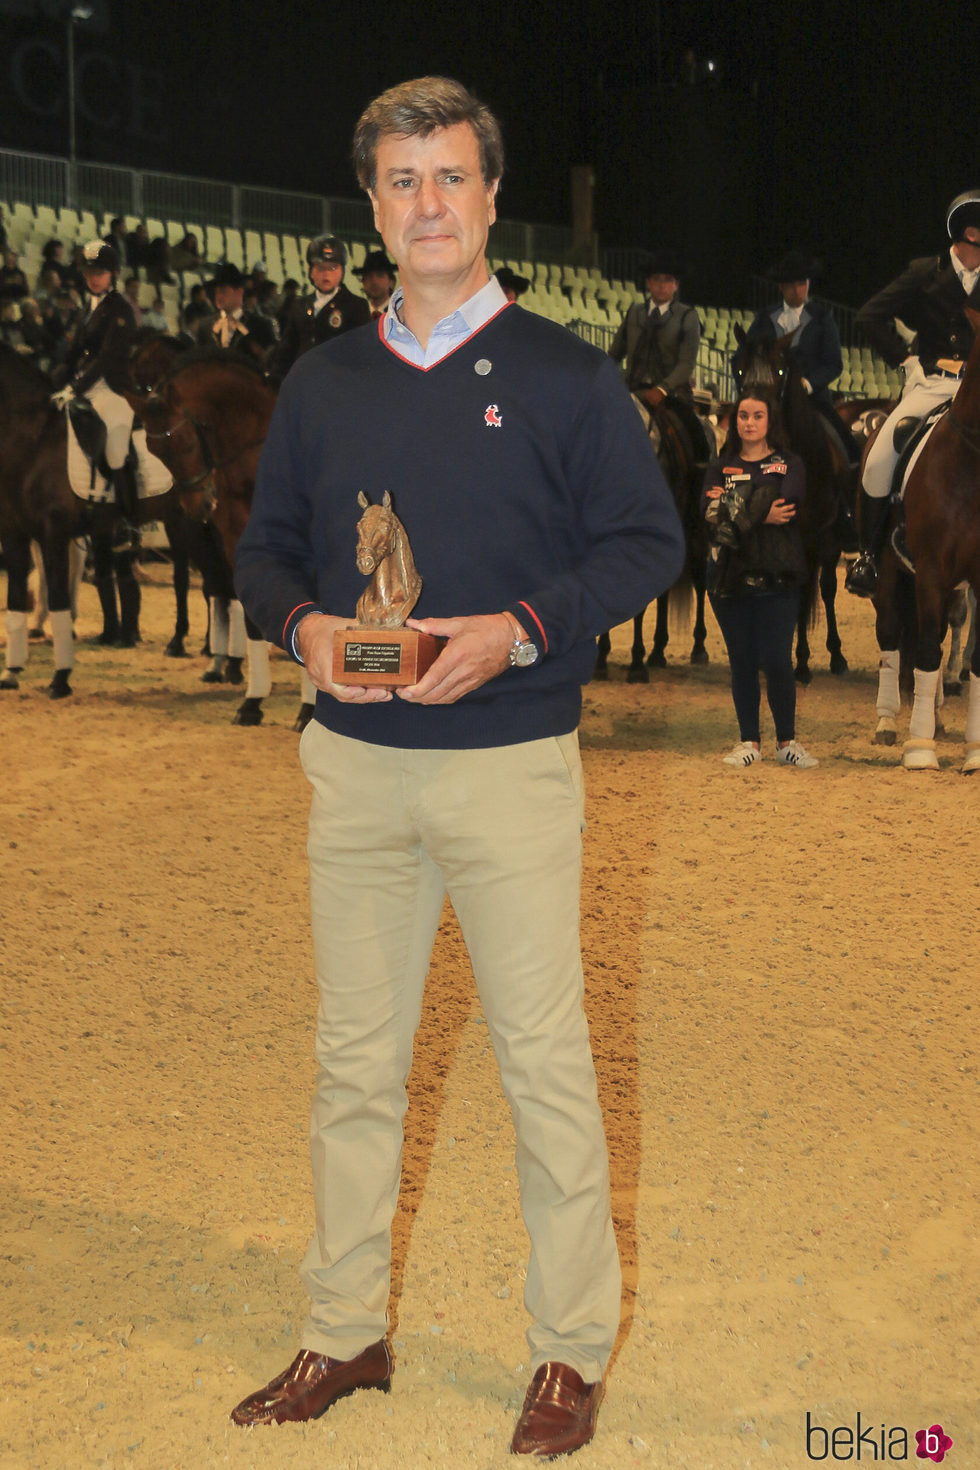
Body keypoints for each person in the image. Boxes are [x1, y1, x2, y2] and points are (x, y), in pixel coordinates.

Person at [231, 74, 684, 1459]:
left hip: (507, 766)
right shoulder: (321, 380)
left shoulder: (567, 372)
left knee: (543, 1061)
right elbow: (263, 559)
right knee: (354, 1066)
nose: (426, 203)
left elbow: (647, 543)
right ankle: (343, 1325)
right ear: (372, 205)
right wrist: (304, 624)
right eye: (400, 180)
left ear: (491, 197)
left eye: (450, 178)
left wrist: (526, 627)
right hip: (356, 770)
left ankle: (564, 1351)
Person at [846, 190, 980, 596]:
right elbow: (869, 315)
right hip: (933, 383)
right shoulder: (925, 272)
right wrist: (905, 361)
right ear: (965, 236)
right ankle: (867, 556)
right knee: (880, 456)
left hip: (975, 388)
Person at [703, 389, 818, 768]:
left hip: (778, 578)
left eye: (757, 415)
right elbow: (708, 512)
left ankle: (787, 742)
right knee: (742, 660)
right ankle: (748, 741)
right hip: (728, 580)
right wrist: (757, 507)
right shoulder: (720, 465)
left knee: (777, 660)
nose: (748, 422)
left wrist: (734, 504)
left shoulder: (790, 462)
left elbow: (784, 505)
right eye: (742, 416)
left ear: (770, 421)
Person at [49, 240, 168, 549]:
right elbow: (73, 353)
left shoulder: (121, 310)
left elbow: (106, 359)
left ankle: (128, 523)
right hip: (83, 385)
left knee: (116, 447)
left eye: (99, 272)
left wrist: (74, 387)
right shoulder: (85, 309)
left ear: (113, 274)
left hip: (112, 389)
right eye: (89, 271)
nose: (93, 277)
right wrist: (53, 382)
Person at [734, 250, 852, 453]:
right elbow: (739, 357)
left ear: (808, 284)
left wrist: (808, 383)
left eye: (801, 284)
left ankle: (852, 465)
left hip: (812, 400)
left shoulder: (823, 317)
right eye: (791, 285)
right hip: (768, 401)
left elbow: (834, 364)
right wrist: (748, 392)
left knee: (841, 436)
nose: (797, 290)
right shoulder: (765, 317)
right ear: (781, 286)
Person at [608, 250, 711, 463]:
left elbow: (686, 364)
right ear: (648, 283)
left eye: (668, 280)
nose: (662, 285)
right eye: (657, 279)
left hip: (672, 396)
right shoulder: (634, 312)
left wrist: (663, 388)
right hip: (632, 391)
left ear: (676, 285)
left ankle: (699, 479)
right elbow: (615, 353)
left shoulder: (687, 316)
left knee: (696, 436)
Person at [269, 234, 370, 379]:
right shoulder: (299, 305)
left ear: (342, 271)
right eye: (320, 268)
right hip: (302, 382)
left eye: (333, 268)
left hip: (338, 384)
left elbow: (360, 354)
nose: (326, 274)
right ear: (311, 271)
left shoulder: (355, 305)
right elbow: (286, 350)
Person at [197, 262, 278, 362]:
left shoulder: (261, 325)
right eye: (216, 292)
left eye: (223, 291)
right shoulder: (205, 327)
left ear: (239, 292)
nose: (218, 296)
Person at [353, 247, 398, 316]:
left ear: (391, 282)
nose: (374, 281)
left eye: (380, 275)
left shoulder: (399, 314)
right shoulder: (357, 315)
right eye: (369, 276)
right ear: (363, 282)